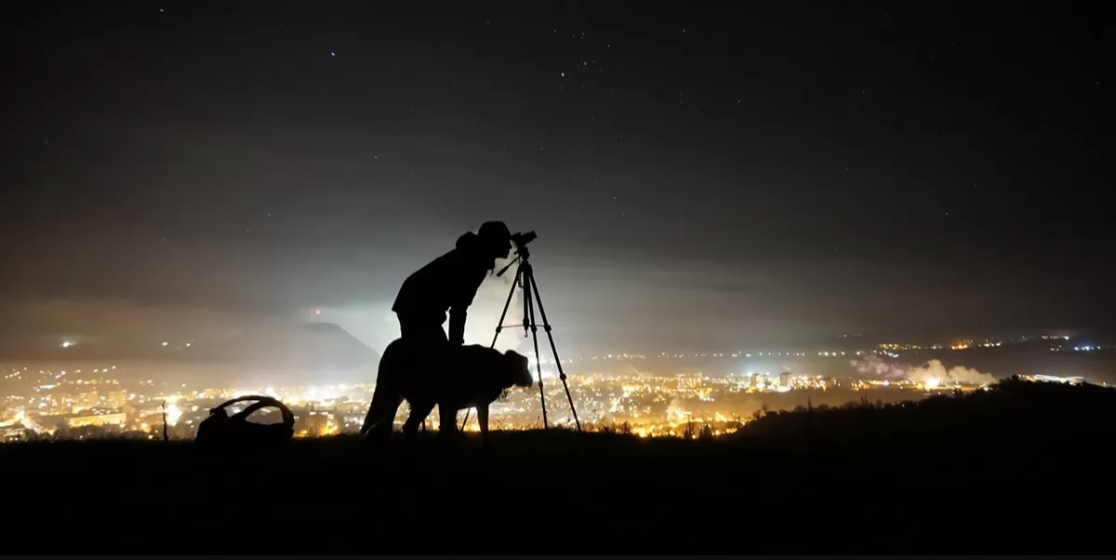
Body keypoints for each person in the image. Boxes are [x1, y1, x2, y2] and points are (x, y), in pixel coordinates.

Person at [391, 221, 513, 348]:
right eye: (505, 241)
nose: (510, 247)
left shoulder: (472, 255)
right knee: (432, 355)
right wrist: (456, 345)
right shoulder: (474, 263)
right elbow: (459, 308)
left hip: (413, 300)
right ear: (494, 243)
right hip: (416, 303)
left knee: (429, 354)